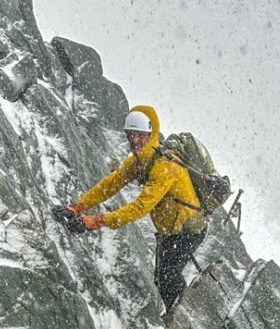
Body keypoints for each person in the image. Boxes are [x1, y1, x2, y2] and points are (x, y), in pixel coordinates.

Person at [63, 105, 207, 313]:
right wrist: (77, 208)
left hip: (188, 229)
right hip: (171, 232)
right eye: (131, 135)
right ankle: (183, 318)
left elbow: (140, 208)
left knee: (168, 276)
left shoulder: (165, 166)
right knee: (164, 278)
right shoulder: (140, 162)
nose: (135, 141)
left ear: (151, 133)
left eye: (141, 135)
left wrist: (96, 220)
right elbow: (109, 185)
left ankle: (187, 321)